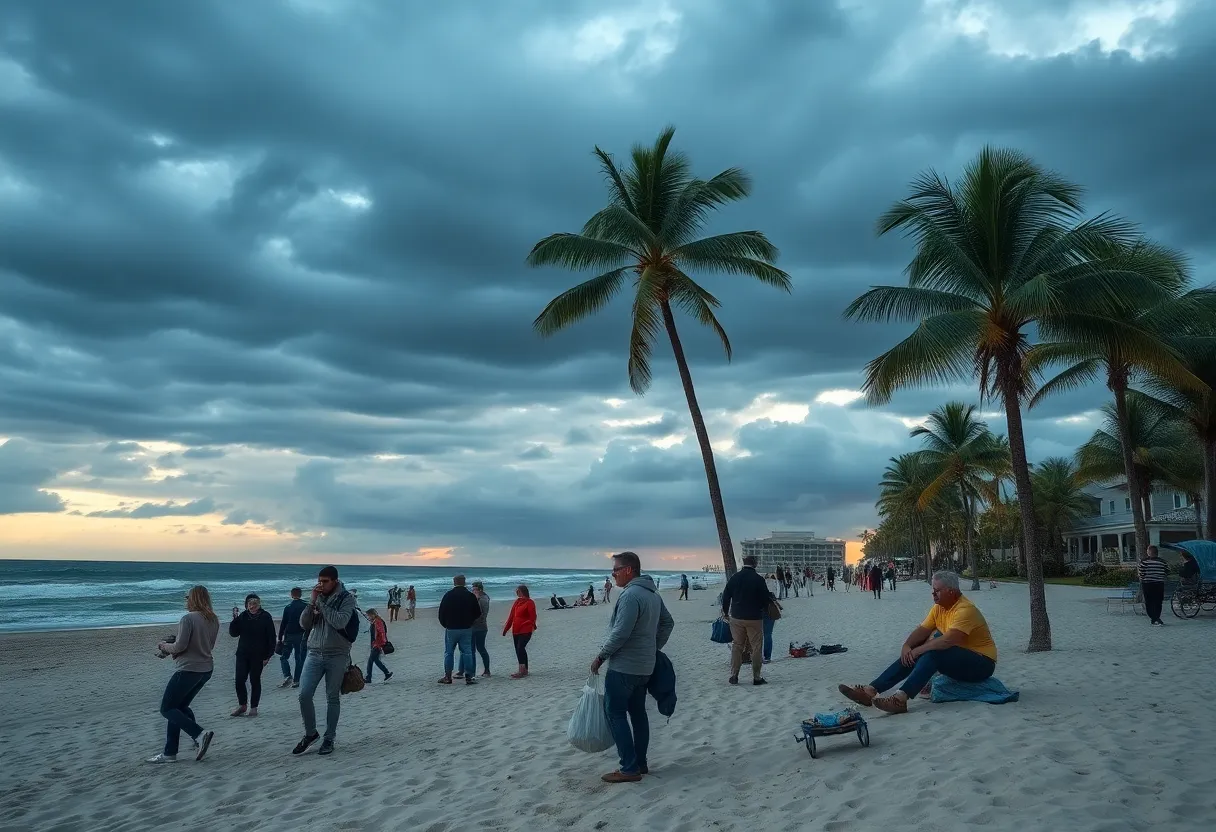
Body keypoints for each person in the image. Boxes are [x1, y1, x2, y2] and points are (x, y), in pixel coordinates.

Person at [838, 570, 997, 714]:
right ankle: (870, 691)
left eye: (937, 591)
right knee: (918, 649)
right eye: (932, 590)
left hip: (982, 663)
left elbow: (948, 640)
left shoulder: (965, 610)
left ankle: (900, 698)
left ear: (951, 591)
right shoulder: (939, 608)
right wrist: (907, 646)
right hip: (958, 658)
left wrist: (918, 650)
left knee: (933, 651)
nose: (933, 594)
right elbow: (922, 630)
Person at [590, 551, 674, 783]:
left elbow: (620, 633)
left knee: (614, 712)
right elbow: (668, 623)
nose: (613, 574)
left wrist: (600, 657)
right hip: (645, 667)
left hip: (625, 667)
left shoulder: (630, 596)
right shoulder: (652, 594)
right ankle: (641, 763)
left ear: (629, 570)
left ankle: (629, 767)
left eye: (615, 569)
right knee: (637, 713)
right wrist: (652, 648)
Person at [149, 585, 220, 763]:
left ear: (193, 598)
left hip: (189, 669)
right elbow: (207, 646)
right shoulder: (213, 619)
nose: (185, 600)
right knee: (179, 708)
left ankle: (199, 734)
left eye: (187, 597)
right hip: (206, 669)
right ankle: (170, 753)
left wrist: (163, 646)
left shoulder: (188, 618)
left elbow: (180, 646)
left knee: (166, 708)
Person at [293, 565, 357, 756]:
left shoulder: (347, 599)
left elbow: (339, 622)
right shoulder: (318, 598)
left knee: (332, 697)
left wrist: (321, 602)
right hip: (314, 652)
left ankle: (329, 738)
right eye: (319, 581)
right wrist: (311, 603)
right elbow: (303, 624)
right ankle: (310, 734)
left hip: (337, 653)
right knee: (304, 694)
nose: (321, 585)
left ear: (335, 581)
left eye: (325, 581)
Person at [720, 555, 770, 685]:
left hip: (736, 617)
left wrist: (725, 612)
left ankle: (734, 675)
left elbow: (726, 596)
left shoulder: (735, 578)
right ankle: (757, 677)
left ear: (744, 563)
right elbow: (765, 599)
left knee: (737, 646)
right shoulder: (758, 579)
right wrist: (764, 609)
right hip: (754, 618)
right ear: (755, 564)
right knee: (756, 647)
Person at [229, 593, 276, 717]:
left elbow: (271, 638)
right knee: (239, 680)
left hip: (259, 655)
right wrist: (234, 619)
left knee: (254, 680)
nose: (252, 606)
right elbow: (233, 633)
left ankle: (254, 707)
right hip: (243, 653)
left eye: (255, 604)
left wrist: (268, 656)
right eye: (250, 604)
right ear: (246, 605)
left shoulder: (266, 617)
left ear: (259, 604)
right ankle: (242, 705)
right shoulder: (243, 616)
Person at [437, 574, 480, 685]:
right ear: (464, 582)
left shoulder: (448, 595)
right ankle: (469, 677)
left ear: (454, 582)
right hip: (466, 628)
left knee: (449, 652)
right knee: (467, 652)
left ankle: (448, 676)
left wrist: (445, 624)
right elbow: (477, 613)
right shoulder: (470, 596)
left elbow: (441, 613)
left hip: (451, 628)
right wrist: (470, 622)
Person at [502, 584, 538, 678]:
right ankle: (524, 669)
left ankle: (521, 671)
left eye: (518, 591)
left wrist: (527, 624)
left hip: (526, 630)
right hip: (516, 630)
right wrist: (506, 629)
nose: (516, 592)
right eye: (516, 591)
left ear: (523, 591)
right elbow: (511, 616)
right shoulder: (517, 602)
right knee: (518, 650)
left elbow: (533, 617)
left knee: (520, 648)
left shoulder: (530, 602)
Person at [278, 587, 308, 688]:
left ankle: (287, 675)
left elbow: (283, 623)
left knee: (283, 657)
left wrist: (280, 636)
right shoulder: (306, 606)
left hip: (289, 635)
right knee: (299, 658)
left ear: (291, 595)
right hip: (301, 635)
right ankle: (296, 680)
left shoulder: (288, 607)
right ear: (300, 594)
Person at [1138, 544, 1168, 626]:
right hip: (1159, 584)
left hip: (1148, 584)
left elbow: (1141, 574)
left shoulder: (1144, 562)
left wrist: (1144, 578)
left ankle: (1153, 618)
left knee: (1149, 602)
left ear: (1149, 552)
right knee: (1158, 602)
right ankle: (1157, 617)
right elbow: (1167, 572)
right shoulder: (1163, 562)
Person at [364, 608, 393, 683]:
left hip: (377, 644)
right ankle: (386, 673)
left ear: (373, 615)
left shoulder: (378, 622)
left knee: (371, 661)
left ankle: (369, 678)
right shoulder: (375, 621)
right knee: (375, 660)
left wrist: (380, 644)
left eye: (369, 616)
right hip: (376, 644)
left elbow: (381, 633)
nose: (368, 617)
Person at [471, 581, 491, 678]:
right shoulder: (483, 598)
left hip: (479, 626)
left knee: (479, 649)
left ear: (479, 589)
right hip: (479, 626)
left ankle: (486, 670)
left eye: (474, 589)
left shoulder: (482, 599)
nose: (472, 591)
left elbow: (480, 614)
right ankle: (485, 670)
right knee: (478, 648)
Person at [762, 574, 782, 664]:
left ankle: (757, 655)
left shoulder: (759, 584)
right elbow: (776, 595)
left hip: (759, 611)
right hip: (770, 611)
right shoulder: (774, 584)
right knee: (768, 634)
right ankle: (767, 656)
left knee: (758, 635)